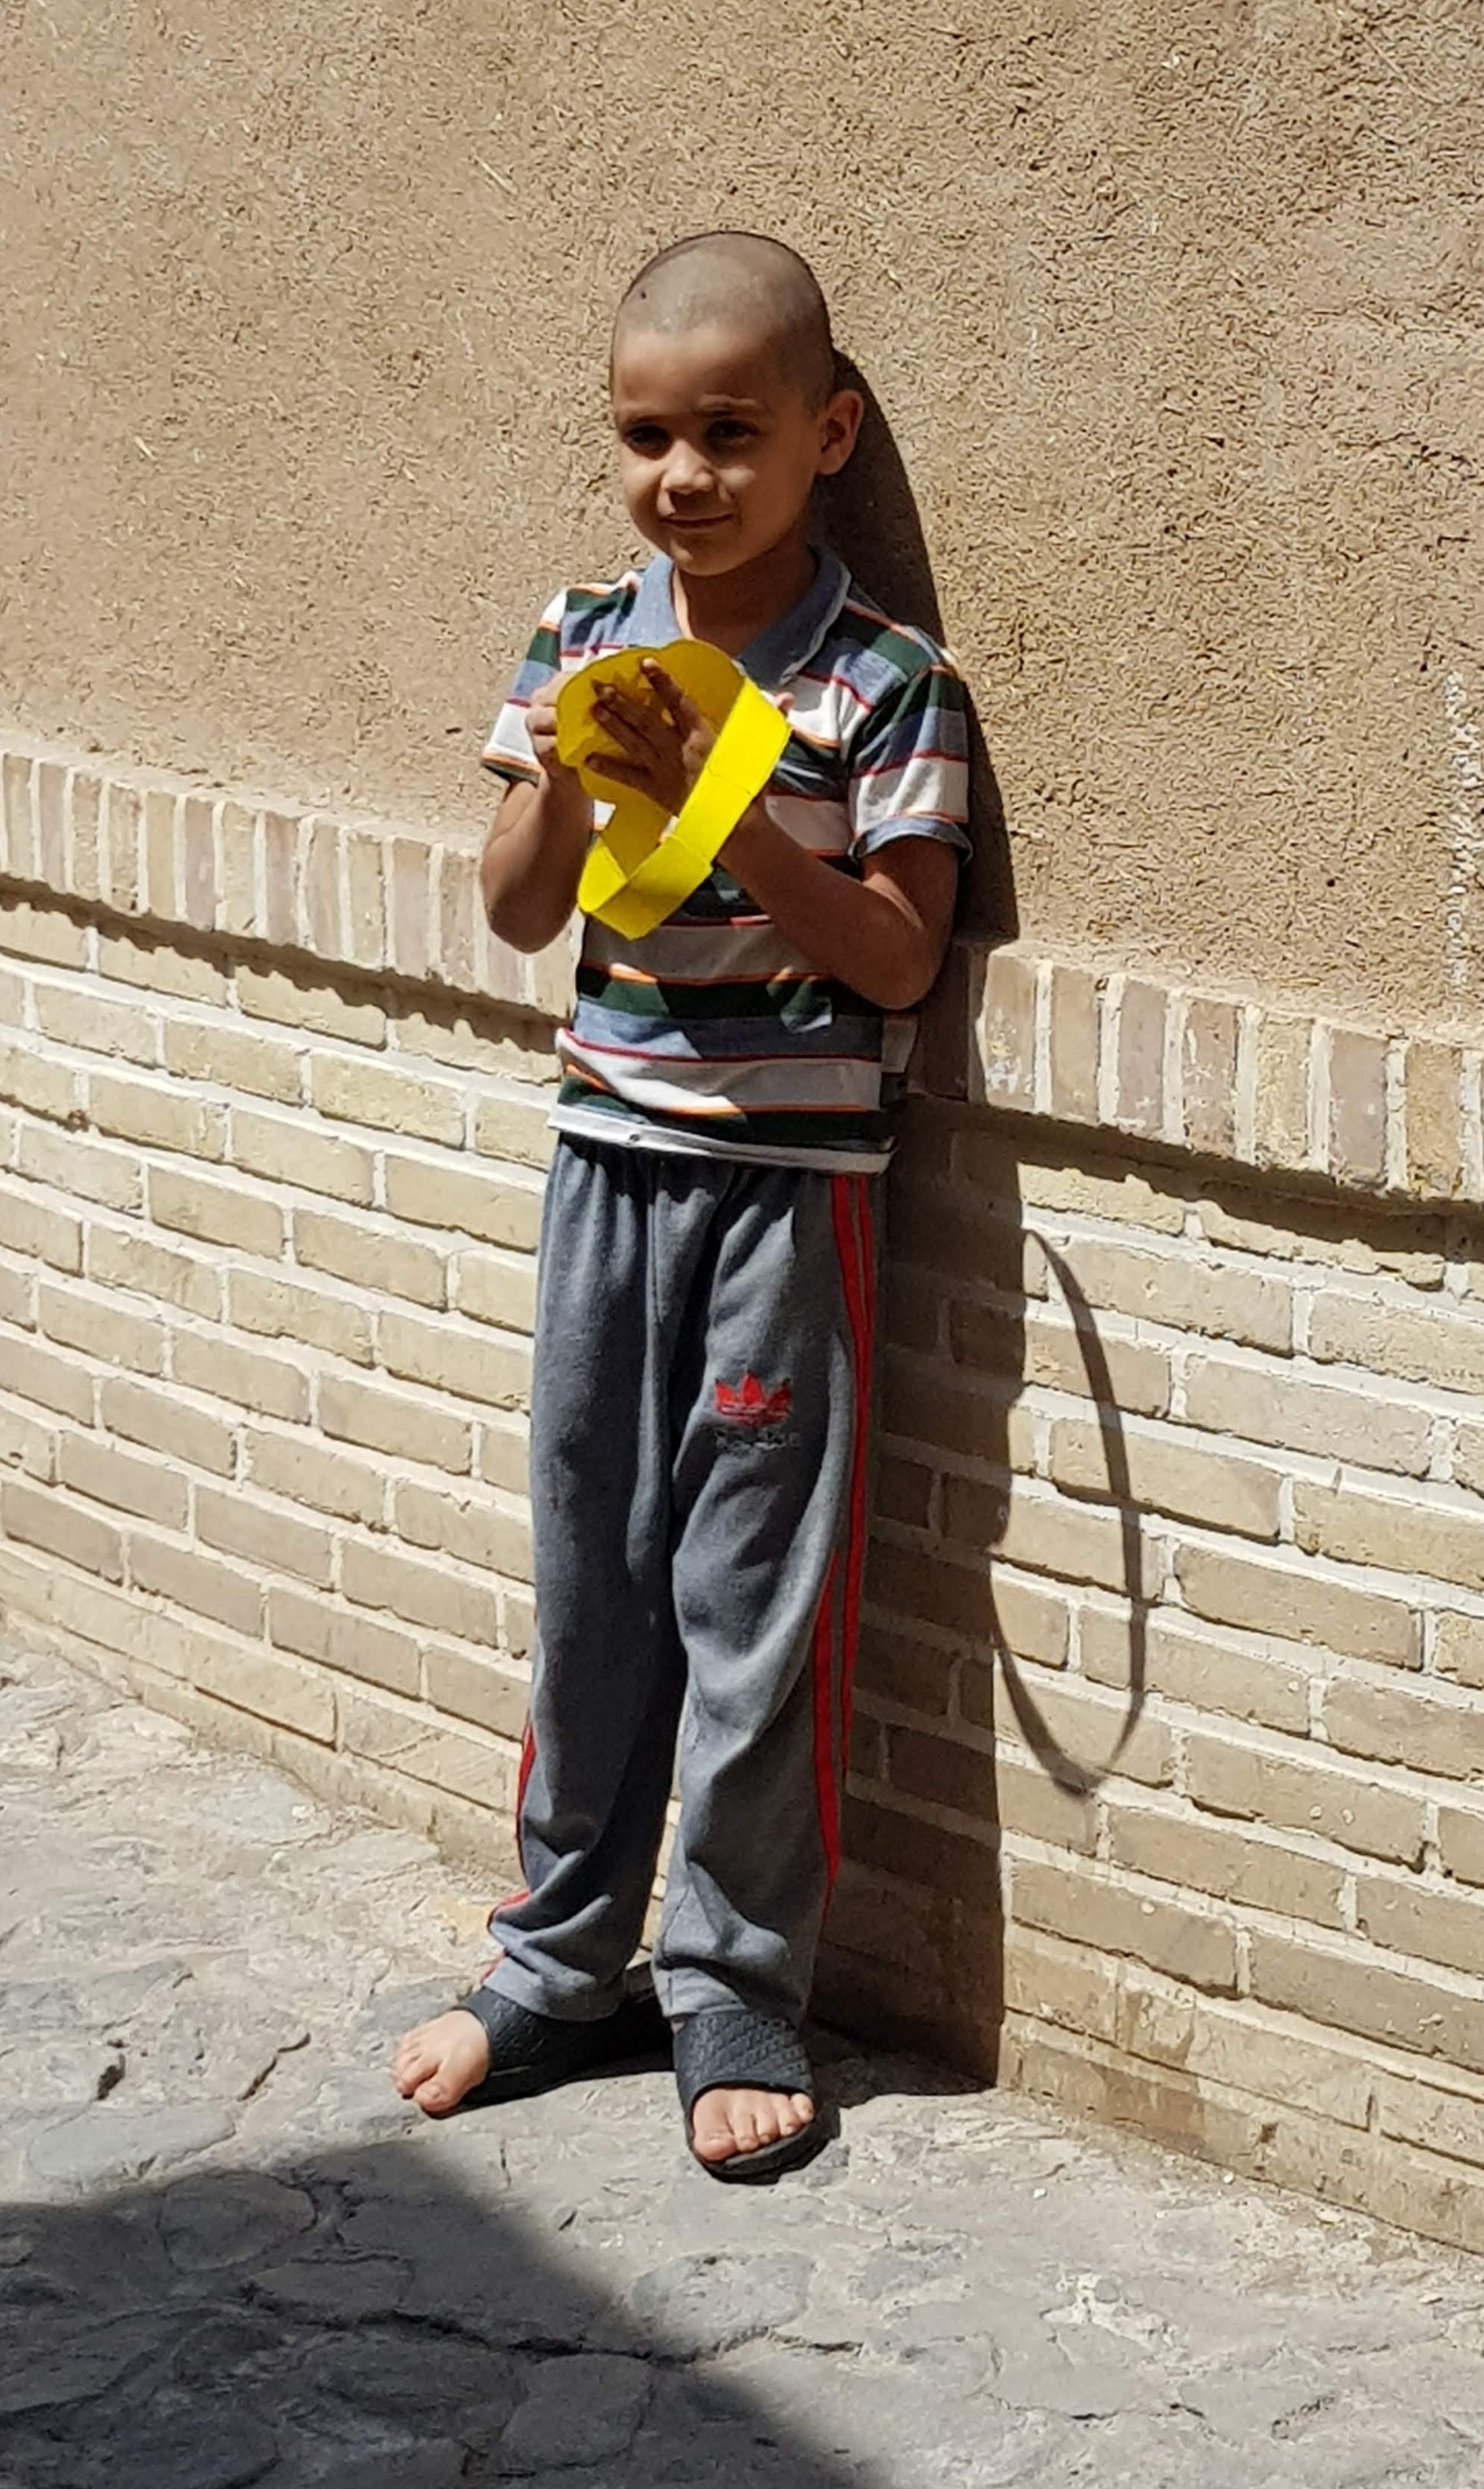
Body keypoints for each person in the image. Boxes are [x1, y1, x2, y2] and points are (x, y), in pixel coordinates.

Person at [391, 231, 971, 2179]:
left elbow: (898, 962)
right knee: (592, 1584)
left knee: (751, 1607)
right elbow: (518, 906)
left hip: (787, 1202)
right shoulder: (579, 637)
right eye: (648, 433)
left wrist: (732, 817)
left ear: (829, 433)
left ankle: (732, 1986)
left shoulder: (885, 685)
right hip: (604, 1171)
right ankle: (555, 1965)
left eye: (731, 430)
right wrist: (568, 771)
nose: (685, 474)